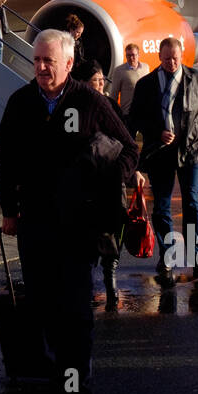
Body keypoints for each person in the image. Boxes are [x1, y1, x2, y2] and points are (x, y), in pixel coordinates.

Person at [0, 30, 139, 394]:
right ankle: (60, 380)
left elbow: (129, 148)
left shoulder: (89, 101)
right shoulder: (21, 103)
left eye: (49, 61)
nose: (41, 68)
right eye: (37, 60)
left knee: (75, 316)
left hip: (79, 229)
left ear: (68, 63)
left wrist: (110, 181)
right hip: (35, 227)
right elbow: (5, 159)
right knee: (44, 313)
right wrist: (9, 208)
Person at [127, 35, 198, 287]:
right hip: (160, 153)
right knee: (161, 206)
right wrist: (155, 130)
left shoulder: (197, 79)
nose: (171, 62)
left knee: (192, 202)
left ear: (182, 57)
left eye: (175, 58)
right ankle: (168, 254)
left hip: (191, 150)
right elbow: (135, 119)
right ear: (159, 57)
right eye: (167, 58)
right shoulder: (146, 84)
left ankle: (197, 252)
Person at [88, 62, 129, 311]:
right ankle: (96, 282)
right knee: (97, 234)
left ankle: (111, 281)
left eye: (103, 79)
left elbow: (125, 141)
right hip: (90, 182)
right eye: (96, 80)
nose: (101, 84)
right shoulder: (80, 109)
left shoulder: (111, 106)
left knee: (114, 231)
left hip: (112, 179)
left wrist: (130, 172)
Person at [108, 43, 149, 115]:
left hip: (145, 112)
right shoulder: (119, 71)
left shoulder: (146, 67)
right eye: (128, 55)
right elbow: (114, 95)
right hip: (128, 113)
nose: (131, 58)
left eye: (133, 55)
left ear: (138, 55)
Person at [65, 13, 96, 81]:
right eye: (78, 32)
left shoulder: (78, 42)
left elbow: (80, 58)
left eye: (81, 33)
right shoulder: (63, 40)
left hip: (73, 73)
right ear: (71, 29)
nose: (79, 35)